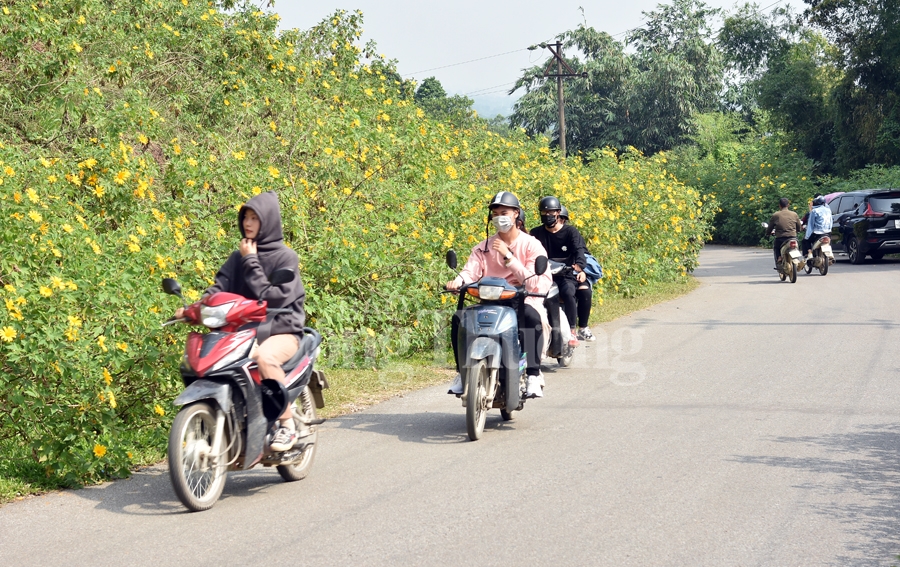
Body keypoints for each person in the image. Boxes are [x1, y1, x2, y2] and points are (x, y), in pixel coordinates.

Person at [174, 191, 306, 452]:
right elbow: (218, 289)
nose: (248, 223)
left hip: (282, 330)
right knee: (207, 361)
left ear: (268, 221)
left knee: (264, 358)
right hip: (243, 332)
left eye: (255, 218)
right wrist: (195, 308)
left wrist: (251, 261)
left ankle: (286, 426)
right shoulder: (238, 257)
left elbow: (272, 298)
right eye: (245, 216)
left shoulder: (285, 257)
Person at [445, 191, 552, 398]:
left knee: (531, 318)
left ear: (516, 214)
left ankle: (533, 374)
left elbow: (535, 281)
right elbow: (470, 272)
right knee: (459, 319)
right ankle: (461, 372)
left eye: (504, 212)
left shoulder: (531, 244)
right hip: (488, 300)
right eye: (495, 214)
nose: (499, 217)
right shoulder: (483, 247)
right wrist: (458, 281)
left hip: (522, 299)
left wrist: (508, 256)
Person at [529, 196, 589, 345]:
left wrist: (579, 266)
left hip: (565, 275)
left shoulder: (570, 232)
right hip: (541, 275)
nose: (547, 215)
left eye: (551, 212)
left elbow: (579, 250)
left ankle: (573, 332)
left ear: (558, 213)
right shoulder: (535, 233)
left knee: (569, 292)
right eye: (544, 212)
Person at [559, 206, 595, 341]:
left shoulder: (572, 234)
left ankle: (583, 327)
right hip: (554, 272)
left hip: (575, 271)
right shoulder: (542, 234)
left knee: (584, 290)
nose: (560, 222)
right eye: (559, 219)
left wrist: (582, 270)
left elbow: (582, 253)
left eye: (562, 219)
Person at [765, 197, 803, 268]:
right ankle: (797, 260)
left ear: (779, 205)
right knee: (796, 247)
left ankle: (779, 257)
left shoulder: (776, 215)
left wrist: (768, 233)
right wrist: (798, 230)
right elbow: (799, 227)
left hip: (781, 238)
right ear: (788, 205)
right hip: (793, 237)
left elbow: (770, 227)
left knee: (776, 247)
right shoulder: (794, 214)